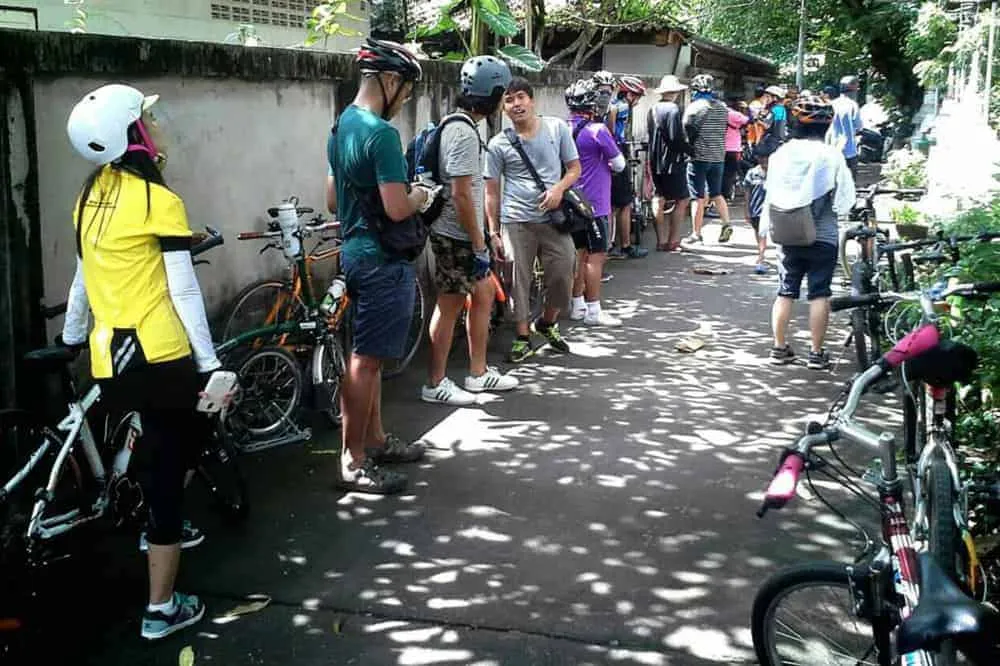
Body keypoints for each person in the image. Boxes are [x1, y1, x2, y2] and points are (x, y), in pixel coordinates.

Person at [63, 83, 221, 639]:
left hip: (110, 360)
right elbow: (185, 291)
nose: (156, 127)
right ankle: (161, 608)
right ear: (132, 135)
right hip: (161, 356)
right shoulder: (157, 201)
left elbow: (82, 278)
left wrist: (71, 335)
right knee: (169, 474)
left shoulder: (88, 197)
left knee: (160, 448)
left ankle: (154, 527)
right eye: (147, 120)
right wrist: (209, 363)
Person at [326, 39, 439, 493]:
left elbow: (332, 199)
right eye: (406, 90)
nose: (405, 98)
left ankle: (374, 440)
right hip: (382, 260)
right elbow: (396, 208)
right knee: (365, 362)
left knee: (366, 357)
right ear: (390, 80)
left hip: (353, 253)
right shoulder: (382, 134)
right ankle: (353, 461)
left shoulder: (340, 127)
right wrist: (421, 195)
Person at [421, 56, 519, 405]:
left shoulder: (461, 125)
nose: (505, 101)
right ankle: (435, 383)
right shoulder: (463, 133)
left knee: (484, 295)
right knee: (449, 306)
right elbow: (461, 194)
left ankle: (478, 373)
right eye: (503, 94)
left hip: (465, 234)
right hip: (456, 236)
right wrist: (479, 242)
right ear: (491, 95)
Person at [485, 77, 581, 363]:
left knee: (564, 272)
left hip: (554, 218)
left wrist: (558, 189)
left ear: (532, 100)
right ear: (503, 109)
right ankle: (522, 336)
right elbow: (491, 191)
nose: (516, 104)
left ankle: (548, 322)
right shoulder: (498, 144)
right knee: (518, 280)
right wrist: (493, 231)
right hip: (516, 220)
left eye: (520, 97)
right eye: (509, 100)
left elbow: (574, 168)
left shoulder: (556, 128)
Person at [762, 94, 855, 369]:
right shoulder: (830, 155)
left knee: (785, 291)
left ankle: (779, 348)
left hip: (787, 232)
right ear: (826, 126)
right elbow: (844, 199)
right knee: (819, 293)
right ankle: (816, 354)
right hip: (822, 236)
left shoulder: (781, 154)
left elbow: (771, 192)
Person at [565, 79, 625, 327]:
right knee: (596, 257)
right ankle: (593, 310)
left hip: (569, 201)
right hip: (595, 204)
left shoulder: (560, 129)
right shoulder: (597, 131)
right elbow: (619, 164)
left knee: (579, 254)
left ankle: (577, 304)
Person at [682, 74, 732, 245]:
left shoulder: (694, 107)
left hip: (699, 156)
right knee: (716, 193)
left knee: (697, 196)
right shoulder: (723, 108)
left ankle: (696, 234)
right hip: (718, 156)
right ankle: (726, 223)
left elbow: (686, 127)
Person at [604, 75, 649, 259]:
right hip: (617, 153)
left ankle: (609, 244)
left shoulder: (610, 105)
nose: (637, 101)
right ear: (629, 94)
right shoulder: (622, 107)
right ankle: (625, 246)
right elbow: (614, 130)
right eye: (637, 96)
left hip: (608, 155)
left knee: (611, 205)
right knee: (624, 204)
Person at [648, 74, 691, 252]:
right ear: (675, 92)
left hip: (654, 160)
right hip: (672, 161)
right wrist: (690, 150)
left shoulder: (652, 109)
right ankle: (673, 241)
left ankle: (660, 241)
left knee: (659, 197)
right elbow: (675, 139)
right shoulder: (673, 110)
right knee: (682, 199)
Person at [743, 134, 781, 274]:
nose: (764, 161)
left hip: (774, 209)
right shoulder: (752, 173)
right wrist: (747, 210)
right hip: (756, 209)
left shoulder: (778, 173)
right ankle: (761, 255)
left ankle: (767, 256)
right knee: (759, 233)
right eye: (761, 158)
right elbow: (747, 192)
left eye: (767, 158)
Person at [826, 74, 863, 181]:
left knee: (832, 180)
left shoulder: (831, 104)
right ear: (853, 89)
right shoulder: (852, 105)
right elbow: (858, 126)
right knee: (849, 182)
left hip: (831, 148)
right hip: (848, 149)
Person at [723, 96, 749, 201]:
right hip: (733, 148)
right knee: (730, 173)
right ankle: (726, 195)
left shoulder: (719, 113)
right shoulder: (734, 114)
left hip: (720, 147)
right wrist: (747, 110)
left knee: (721, 172)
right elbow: (749, 120)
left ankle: (719, 195)